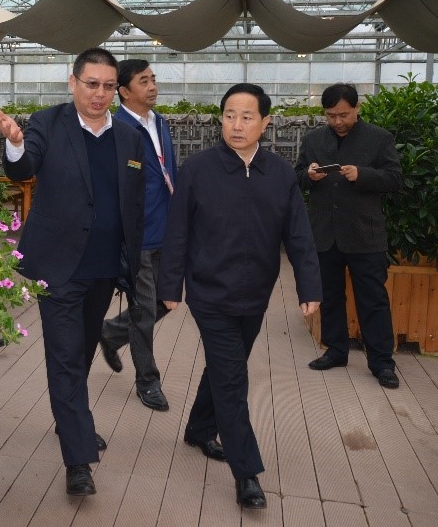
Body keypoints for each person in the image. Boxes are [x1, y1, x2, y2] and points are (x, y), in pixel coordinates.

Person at [158, 83, 321, 510]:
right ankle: (246, 473)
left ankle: (198, 429)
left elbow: (299, 236)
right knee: (233, 378)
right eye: (229, 115)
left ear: (265, 123)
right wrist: (170, 286)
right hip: (209, 294)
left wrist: (309, 287)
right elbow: (177, 231)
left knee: (224, 366)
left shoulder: (280, 174)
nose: (236, 124)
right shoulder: (198, 169)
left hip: (257, 294)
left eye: (247, 117)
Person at [0, 47, 147, 497]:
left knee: (79, 352)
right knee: (64, 356)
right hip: (57, 267)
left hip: (105, 268)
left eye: (108, 86)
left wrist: (137, 259)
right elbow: (23, 166)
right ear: (72, 82)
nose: (99, 94)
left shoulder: (129, 137)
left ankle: (69, 418)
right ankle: (78, 459)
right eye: (91, 84)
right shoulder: (47, 123)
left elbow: (134, 201)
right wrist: (15, 142)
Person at [296, 83, 403, 389]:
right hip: (324, 234)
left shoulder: (379, 138)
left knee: (373, 300)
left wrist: (363, 174)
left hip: (364, 235)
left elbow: (395, 179)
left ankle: (382, 362)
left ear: (357, 108)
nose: (337, 121)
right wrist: (309, 175)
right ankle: (336, 351)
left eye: (343, 115)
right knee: (330, 296)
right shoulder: (313, 139)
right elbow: (297, 177)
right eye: (331, 116)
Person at [98, 59, 176, 412]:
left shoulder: (160, 122)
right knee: (144, 310)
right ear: (124, 91)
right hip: (137, 235)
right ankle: (148, 381)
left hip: (166, 229)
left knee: (167, 300)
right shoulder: (115, 129)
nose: (152, 86)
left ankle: (111, 332)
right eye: (144, 81)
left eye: (153, 79)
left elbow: (169, 172)